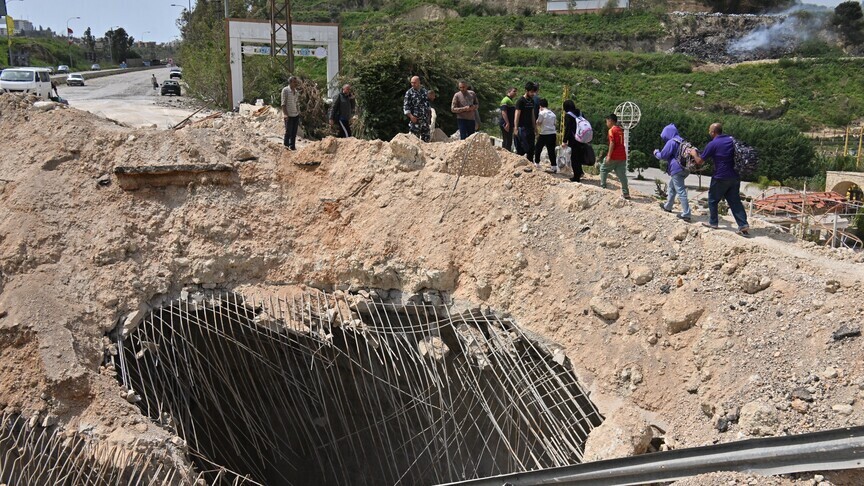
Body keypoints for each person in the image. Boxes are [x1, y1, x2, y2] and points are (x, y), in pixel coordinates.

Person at [690, 123, 750, 235]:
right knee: (735, 201)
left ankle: (713, 223)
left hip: (720, 176)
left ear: (713, 132)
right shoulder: (731, 140)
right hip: (735, 176)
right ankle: (743, 225)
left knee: (712, 199)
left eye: (709, 131)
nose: (709, 133)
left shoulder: (713, 144)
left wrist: (694, 154)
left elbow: (699, 161)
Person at [655, 124, 691, 222]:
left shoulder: (671, 142)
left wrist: (656, 153)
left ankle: (686, 214)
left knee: (680, 190)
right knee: (671, 186)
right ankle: (668, 206)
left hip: (677, 169)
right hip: (686, 169)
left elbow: (663, 155)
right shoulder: (682, 141)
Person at [601, 113, 630, 199]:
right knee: (622, 175)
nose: (606, 123)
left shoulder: (611, 130)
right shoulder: (620, 130)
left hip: (614, 155)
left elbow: (612, 143)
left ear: (610, 121)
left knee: (603, 169)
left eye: (607, 121)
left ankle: (603, 187)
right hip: (622, 155)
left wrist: (609, 156)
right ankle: (626, 193)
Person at [513, 82, 538, 162]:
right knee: (522, 148)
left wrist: (535, 127)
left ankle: (530, 166)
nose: (533, 94)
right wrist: (516, 128)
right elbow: (517, 115)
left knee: (531, 149)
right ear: (526, 91)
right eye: (531, 92)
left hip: (530, 128)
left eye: (534, 92)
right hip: (522, 128)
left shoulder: (531, 101)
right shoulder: (520, 101)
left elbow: (532, 115)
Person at [561, 100, 585, 183]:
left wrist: (564, 140)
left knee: (574, 157)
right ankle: (580, 172)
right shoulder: (580, 113)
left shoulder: (569, 115)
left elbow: (567, 129)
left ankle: (576, 177)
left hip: (574, 139)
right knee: (579, 156)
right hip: (582, 138)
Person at [403, 76, 430, 142]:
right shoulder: (409, 93)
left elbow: (428, 104)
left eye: (414, 83)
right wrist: (411, 117)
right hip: (415, 120)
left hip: (425, 120)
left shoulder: (424, 91)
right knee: (414, 140)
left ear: (419, 82)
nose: (413, 84)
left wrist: (429, 116)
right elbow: (406, 107)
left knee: (426, 140)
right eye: (411, 83)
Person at [534, 98, 557, 171]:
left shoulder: (542, 113)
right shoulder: (553, 114)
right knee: (551, 150)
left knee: (538, 148)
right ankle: (554, 166)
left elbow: (538, 123)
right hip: (553, 133)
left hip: (544, 134)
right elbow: (554, 123)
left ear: (540, 106)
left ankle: (537, 163)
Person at [280, 76, 300, 150]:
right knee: (288, 131)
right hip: (288, 114)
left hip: (295, 114)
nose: (296, 84)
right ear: (290, 82)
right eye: (294, 82)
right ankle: (286, 146)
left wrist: (298, 111)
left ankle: (292, 146)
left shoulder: (296, 92)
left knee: (294, 132)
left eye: (296, 82)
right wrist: (285, 114)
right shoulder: (285, 90)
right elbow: (283, 103)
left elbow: (297, 103)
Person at [499, 87, 517, 152]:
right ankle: (505, 154)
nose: (515, 93)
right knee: (507, 140)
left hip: (509, 123)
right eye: (514, 91)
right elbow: (503, 112)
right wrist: (507, 123)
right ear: (509, 91)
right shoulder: (505, 100)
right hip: (505, 123)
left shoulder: (510, 100)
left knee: (508, 140)